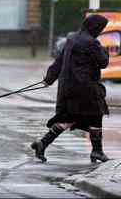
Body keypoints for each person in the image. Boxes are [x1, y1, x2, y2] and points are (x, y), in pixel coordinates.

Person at [31, 14, 110, 163]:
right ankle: (97, 151)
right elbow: (103, 62)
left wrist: (49, 79)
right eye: (101, 28)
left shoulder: (72, 38)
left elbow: (59, 61)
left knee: (69, 117)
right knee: (96, 115)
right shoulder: (92, 42)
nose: (101, 30)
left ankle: (42, 143)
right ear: (96, 27)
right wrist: (104, 51)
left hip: (67, 87)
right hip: (85, 87)